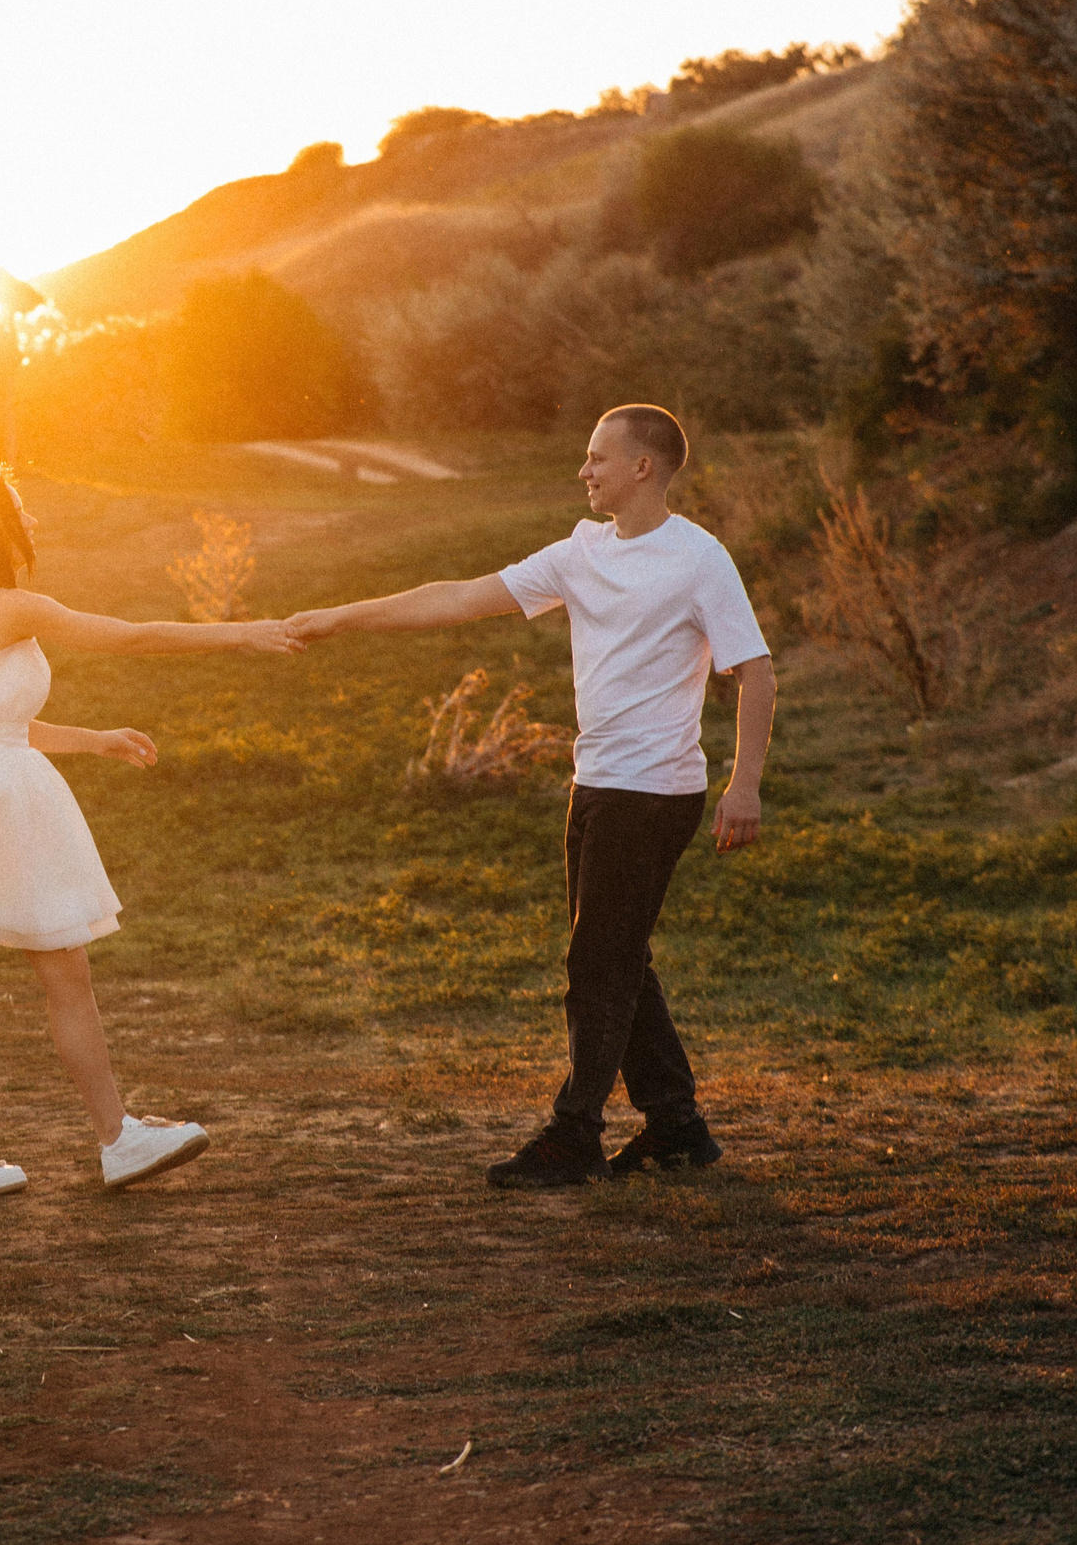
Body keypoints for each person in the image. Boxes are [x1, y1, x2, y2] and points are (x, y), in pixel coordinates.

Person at [288, 405, 775, 1188]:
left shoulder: (698, 560)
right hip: (595, 784)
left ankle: (574, 1135)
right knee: (617, 958)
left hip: (654, 792)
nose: (583, 471)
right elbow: (455, 596)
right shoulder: (582, 553)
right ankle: (678, 1127)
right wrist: (341, 618)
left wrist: (743, 784)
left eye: (596, 459)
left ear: (642, 468)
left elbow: (754, 670)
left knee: (597, 965)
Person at [0, 468, 303, 1195]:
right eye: (20, 509)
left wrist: (94, 739)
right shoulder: (10, 605)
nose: (33, 520)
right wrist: (245, 633)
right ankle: (116, 1139)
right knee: (63, 975)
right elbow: (132, 637)